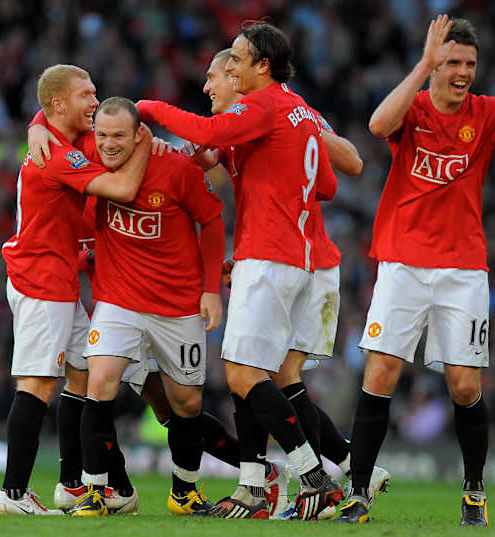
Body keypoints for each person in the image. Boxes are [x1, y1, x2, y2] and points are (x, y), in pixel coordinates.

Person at [336, 14, 495, 525]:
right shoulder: (413, 108)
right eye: (453, 62)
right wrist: (423, 64)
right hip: (401, 262)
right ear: (437, 66)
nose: (463, 72)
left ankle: (474, 491)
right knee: (381, 372)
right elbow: (377, 126)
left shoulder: (488, 113)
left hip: (462, 269)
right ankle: (357, 491)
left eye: (470, 64)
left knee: (464, 386)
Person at [137, 22, 344, 520]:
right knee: (252, 374)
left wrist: (149, 107)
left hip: (270, 255)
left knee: (243, 372)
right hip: (293, 257)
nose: (229, 67)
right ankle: (253, 485)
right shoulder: (300, 110)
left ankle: (315, 478)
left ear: (262, 66)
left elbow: (208, 131)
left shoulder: (265, 103)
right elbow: (328, 185)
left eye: (237, 58)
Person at [201, 47, 388, 520]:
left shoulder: (283, 112)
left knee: (252, 372)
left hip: (296, 261)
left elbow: (349, 164)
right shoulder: (245, 129)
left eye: (215, 77)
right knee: (274, 376)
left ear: (238, 78)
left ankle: (300, 480)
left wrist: (305, 123)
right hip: (289, 259)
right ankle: (337, 467)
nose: (208, 87)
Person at [34, 97, 225, 516]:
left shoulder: (176, 167)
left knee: (186, 402)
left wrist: (211, 290)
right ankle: (94, 491)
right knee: (99, 381)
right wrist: (34, 127)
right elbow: (55, 109)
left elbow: (211, 220)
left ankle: (184, 493)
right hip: (118, 302)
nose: (108, 144)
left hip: (177, 305)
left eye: (118, 135)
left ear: (140, 133)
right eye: (102, 135)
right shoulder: (88, 155)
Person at [0, 64, 150, 515]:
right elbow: (123, 187)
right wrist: (143, 142)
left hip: (58, 280)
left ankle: (72, 485)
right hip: (41, 281)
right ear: (60, 104)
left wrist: (36, 123)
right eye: (86, 95)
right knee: (37, 383)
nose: (95, 102)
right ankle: (13, 494)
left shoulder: (54, 138)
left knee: (84, 373)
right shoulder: (58, 157)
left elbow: (46, 111)